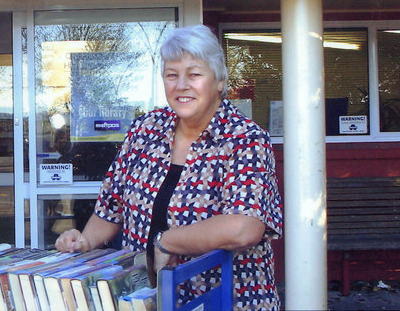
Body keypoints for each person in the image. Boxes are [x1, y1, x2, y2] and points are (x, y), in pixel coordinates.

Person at [55, 25, 283, 310]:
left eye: (195, 74)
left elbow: (243, 227)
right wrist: (85, 241)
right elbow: (111, 207)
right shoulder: (145, 130)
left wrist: (166, 242)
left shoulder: (245, 139)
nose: (181, 85)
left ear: (220, 80)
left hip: (226, 300)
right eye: (171, 74)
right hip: (152, 298)